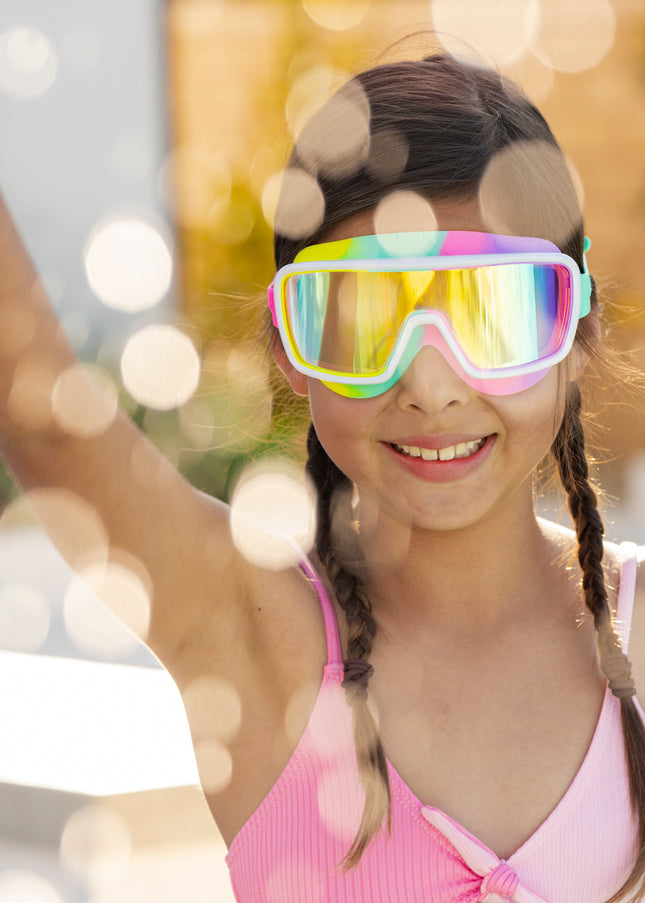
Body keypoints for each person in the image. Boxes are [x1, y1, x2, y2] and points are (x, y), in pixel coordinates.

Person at [1, 50, 644, 903]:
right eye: (366, 319)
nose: (431, 385)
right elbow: (42, 416)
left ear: (577, 329)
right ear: (288, 347)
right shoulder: (252, 638)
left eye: (493, 314)